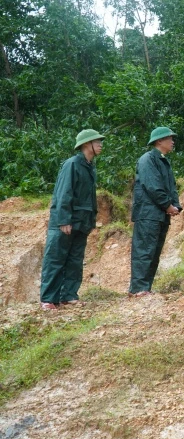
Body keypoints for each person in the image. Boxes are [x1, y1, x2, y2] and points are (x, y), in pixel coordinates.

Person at [39, 129, 105, 310]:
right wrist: (64, 220)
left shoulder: (89, 166)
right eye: (97, 142)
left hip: (81, 222)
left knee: (75, 260)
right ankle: (48, 299)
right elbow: (63, 193)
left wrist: (90, 221)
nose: (100, 145)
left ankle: (68, 296)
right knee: (55, 258)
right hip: (66, 221)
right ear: (86, 144)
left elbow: (88, 198)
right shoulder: (72, 164)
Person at [129, 127, 182, 297]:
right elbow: (153, 186)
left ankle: (145, 288)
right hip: (148, 214)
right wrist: (167, 205)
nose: (172, 142)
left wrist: (176, 205)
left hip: (159, 215)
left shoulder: (163, 161)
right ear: (159, 141)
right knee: (144, 251)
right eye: (169, 138)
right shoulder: (147, 159)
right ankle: (138, 289)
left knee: (154, 252)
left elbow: (170, 187)